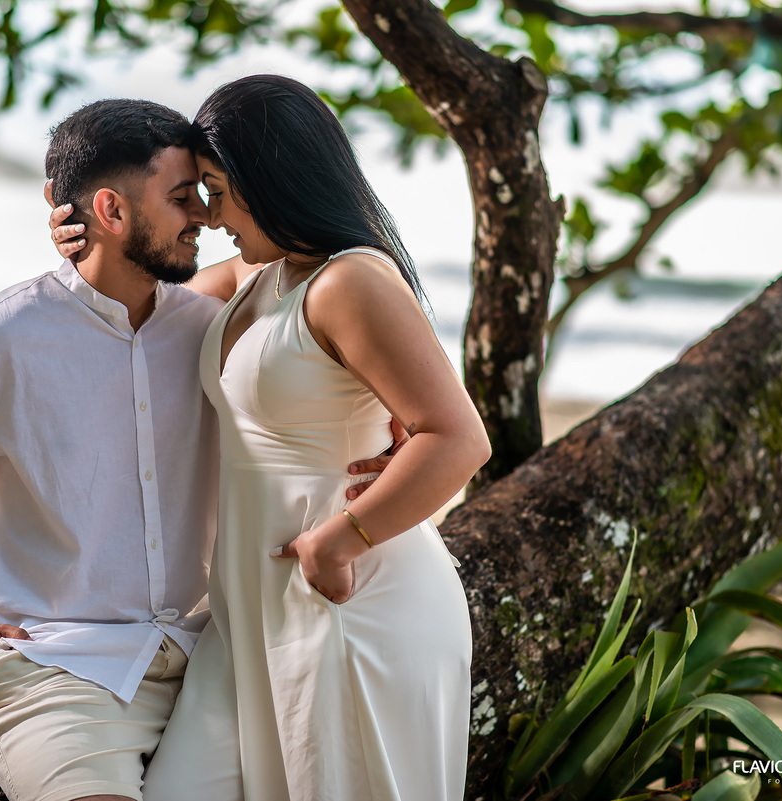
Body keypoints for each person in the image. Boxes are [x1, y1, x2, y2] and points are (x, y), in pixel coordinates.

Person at [0, 98, 387, 801]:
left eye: (205, 196)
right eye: (181, 199)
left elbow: (323, 309)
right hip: (57, 670)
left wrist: (394, 427)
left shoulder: (211, 330)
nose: (203, 215)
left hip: (208, 654)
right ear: (111, 210)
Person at [56, 75, 491, 801]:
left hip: (349, 607)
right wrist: (88, 240)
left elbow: (457, 437)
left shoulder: (349, 283)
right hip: (246, 619)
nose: (211, 214)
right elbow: (140, 302)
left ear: (273, 180)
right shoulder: (264, 273)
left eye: (218, 190)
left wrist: (341, 538)